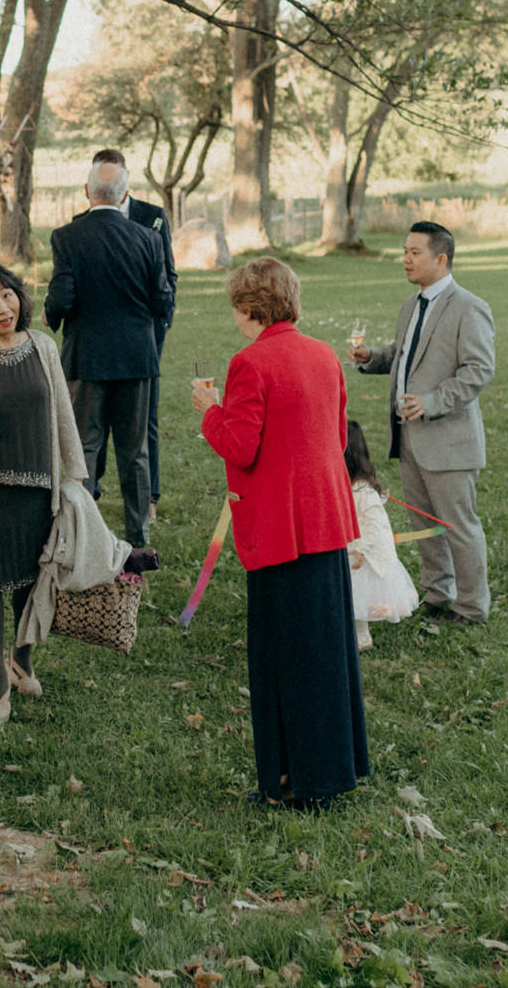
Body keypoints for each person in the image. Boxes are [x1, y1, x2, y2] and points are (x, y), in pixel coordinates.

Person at [192, 257, 367, 808]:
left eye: (236, 306)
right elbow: (337, 437)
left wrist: (209, 412)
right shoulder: (323, 354)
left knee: (284, 657)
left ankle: (296, 780)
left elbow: (240, 445)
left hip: (280, 526)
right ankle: (336, 766)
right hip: (323, 521)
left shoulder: (250, 363)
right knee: (327, 651)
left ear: (248, 308)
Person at [0, 263, 87, 722]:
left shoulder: (42, 346)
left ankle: (22, 658)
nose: (2, 308)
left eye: (7, 296)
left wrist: (77, 476)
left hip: (37, 487)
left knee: (32, 579)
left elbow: (63, 412)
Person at [351, 222, 495, 625]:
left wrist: (431, 403)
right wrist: (372, 358)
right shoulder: (412, 305)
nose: (406, 260)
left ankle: (471, 607)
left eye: (415, 252)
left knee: (458, 525)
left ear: (441, 259)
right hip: (409, 437)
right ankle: (437, 594)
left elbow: (478, 371)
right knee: (425, 524)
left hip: (449, 441)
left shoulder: (469, 307)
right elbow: (404, 354)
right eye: (405, 251)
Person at [44, 158, 174, 546]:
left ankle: (83, 537)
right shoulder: (148, 239)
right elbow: (163, 300)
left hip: (87, 357)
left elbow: (61, 299)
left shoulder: (66, 237)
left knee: (83, 448)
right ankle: (138, 538)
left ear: (87, 193)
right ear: (125, 196)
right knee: (134, 454)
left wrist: (53, 313)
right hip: (137, 357)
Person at [87, 149, 176, 523]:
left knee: (146, 420)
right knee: (95, 421)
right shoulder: (83, 223)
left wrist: (160, 328)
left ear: (125, 182)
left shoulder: (152, 218)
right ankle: (93, 490)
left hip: (143, 340)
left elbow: (168, 278)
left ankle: (149, 497)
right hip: (96, 344)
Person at [342, 421, 418, 650]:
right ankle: (349, 632)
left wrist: (360, 549)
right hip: (352, 547)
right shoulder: (348, 486)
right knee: (349, 594)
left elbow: (376, 528)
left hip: (366, 555)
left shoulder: (364, 492)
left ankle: (362, 637)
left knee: (358, 595)